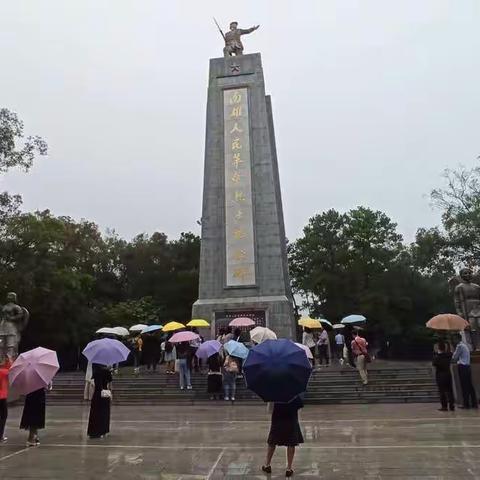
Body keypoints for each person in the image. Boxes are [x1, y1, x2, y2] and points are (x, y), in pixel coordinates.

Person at [262, 395, 304, 478]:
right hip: (291, 419)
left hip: (277, 419)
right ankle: (289, 468)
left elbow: (269, 410)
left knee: (272, 441)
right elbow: (299, 406)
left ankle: (267, 465)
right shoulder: (294, 391)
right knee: (291, 442)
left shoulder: (274, 392)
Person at [452, 333, 478, 409]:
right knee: (469, 386)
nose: (453, 340)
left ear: (457, 338)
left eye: (454, 339)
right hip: (467, 367)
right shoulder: (464, 345)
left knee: (464, 386)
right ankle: (474, 403)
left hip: (462, 367)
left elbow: (454, 357)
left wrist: (453, 351)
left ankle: (466, 404)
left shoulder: (459, 346)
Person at [87, 364, 113, 438]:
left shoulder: (96, 371)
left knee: (95, 412)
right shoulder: (107, 371)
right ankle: (103, 430)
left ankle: (94, 431)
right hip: (105, 394)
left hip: (97, 394)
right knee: (104, 412)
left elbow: (93, 383)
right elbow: (110, 384)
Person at [432, 341, 455, 411]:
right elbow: (452, 351)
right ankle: (452, 405)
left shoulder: (437, 357)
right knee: (450, 390)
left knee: (442, 391)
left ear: (438, 348)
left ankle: (444, 406)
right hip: (448, 374)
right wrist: (449, 344)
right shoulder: (448, 355)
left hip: (440, 375)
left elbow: (434, 365)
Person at [0, 355, 11, 442]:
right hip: (2, 397)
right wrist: (9, 361)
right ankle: (0, 435)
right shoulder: (3, 372)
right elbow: (11, 370)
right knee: (3, 416)